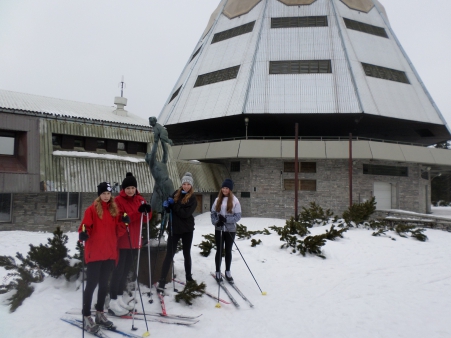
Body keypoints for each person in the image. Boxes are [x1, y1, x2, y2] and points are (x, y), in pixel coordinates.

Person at [78, 182, 128, 334]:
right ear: (99, 194)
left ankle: (100, 313)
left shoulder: (114, 210)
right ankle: (86, 315)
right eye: (104, 193)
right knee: (92, 284)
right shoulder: (92, 210)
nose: (106, 196)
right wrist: (83, 234)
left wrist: (124, 224)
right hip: (95, 253)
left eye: (108, 194)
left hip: (109, 254)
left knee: (104, 285)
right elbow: (85, 227)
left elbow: (117, 233)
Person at [109, 172, 152, 315]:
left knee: (126, 271)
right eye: (128, 188)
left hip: (134, 242)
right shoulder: (118, 201)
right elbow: (122, 218)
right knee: (118, 271)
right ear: (123, 189)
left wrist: (147, 211)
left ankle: (120, 297)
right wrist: (137, 214)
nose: (130, 190)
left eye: (133, 188)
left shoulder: (140, 200)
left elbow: (145, 218)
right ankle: (113, 300)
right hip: (122, 242)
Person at [157, 172, 198, 293]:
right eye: (184, 184)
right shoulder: (176, 193)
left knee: (186, 254)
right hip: (174, 229)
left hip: (187, 230)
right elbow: (171, 210)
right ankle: (162, 280)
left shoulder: (193, 198)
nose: (185, 186)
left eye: (188, 184)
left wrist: (174, 204)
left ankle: (188, 278)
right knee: (169, 254)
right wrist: (166, 206)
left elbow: (185, 213)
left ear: (191, 186)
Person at [211, 179, 242, 283]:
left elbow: (238, 216)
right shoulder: (217, 200)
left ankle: (228, 272)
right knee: (219, 250)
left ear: (230, 189)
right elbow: (213, 213)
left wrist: (226, 220)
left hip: (230, 230)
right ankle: (218, 272)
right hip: (219, 229)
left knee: (228, 250)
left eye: (227, 188)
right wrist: (216, 222)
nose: (224, 190)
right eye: (223, 188)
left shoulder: (235, 200)